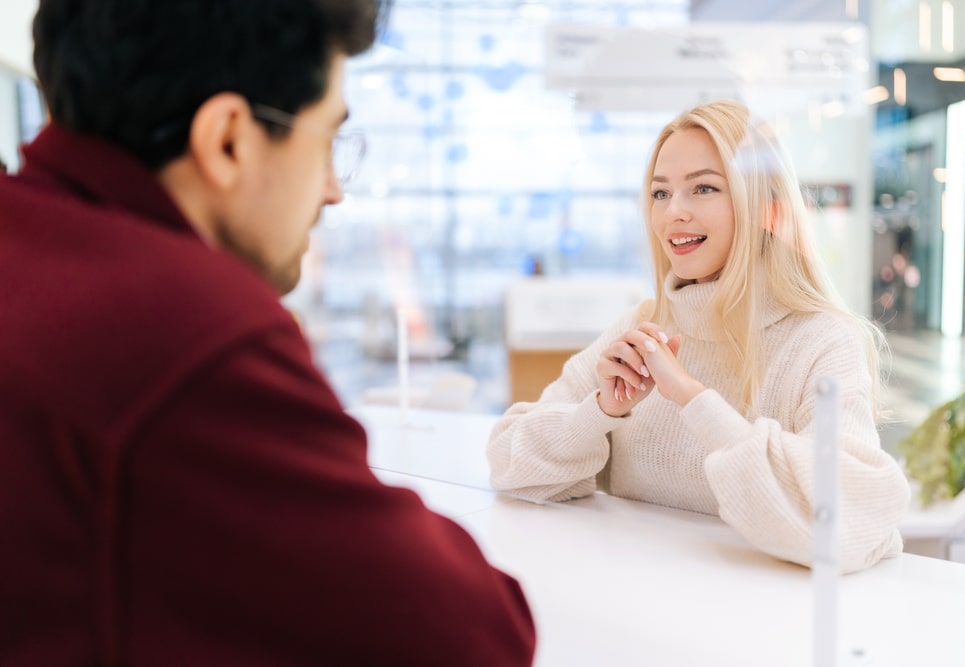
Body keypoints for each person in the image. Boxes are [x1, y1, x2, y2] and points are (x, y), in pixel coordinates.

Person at [0, 1, 534, 665]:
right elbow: (473, 635)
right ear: (229, 139)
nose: (334, 190)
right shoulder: (185, 328)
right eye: (327, 142)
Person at [487, 100, 911, 574]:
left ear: (763, 207)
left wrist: (692, 399)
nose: (674, 214)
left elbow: (851, 518)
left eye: (703, 188)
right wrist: (602, 411)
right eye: (660, 193)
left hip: (767, 628)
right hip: (642, 614)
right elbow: (509, 463)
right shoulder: (643, 324)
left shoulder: (822, 341)